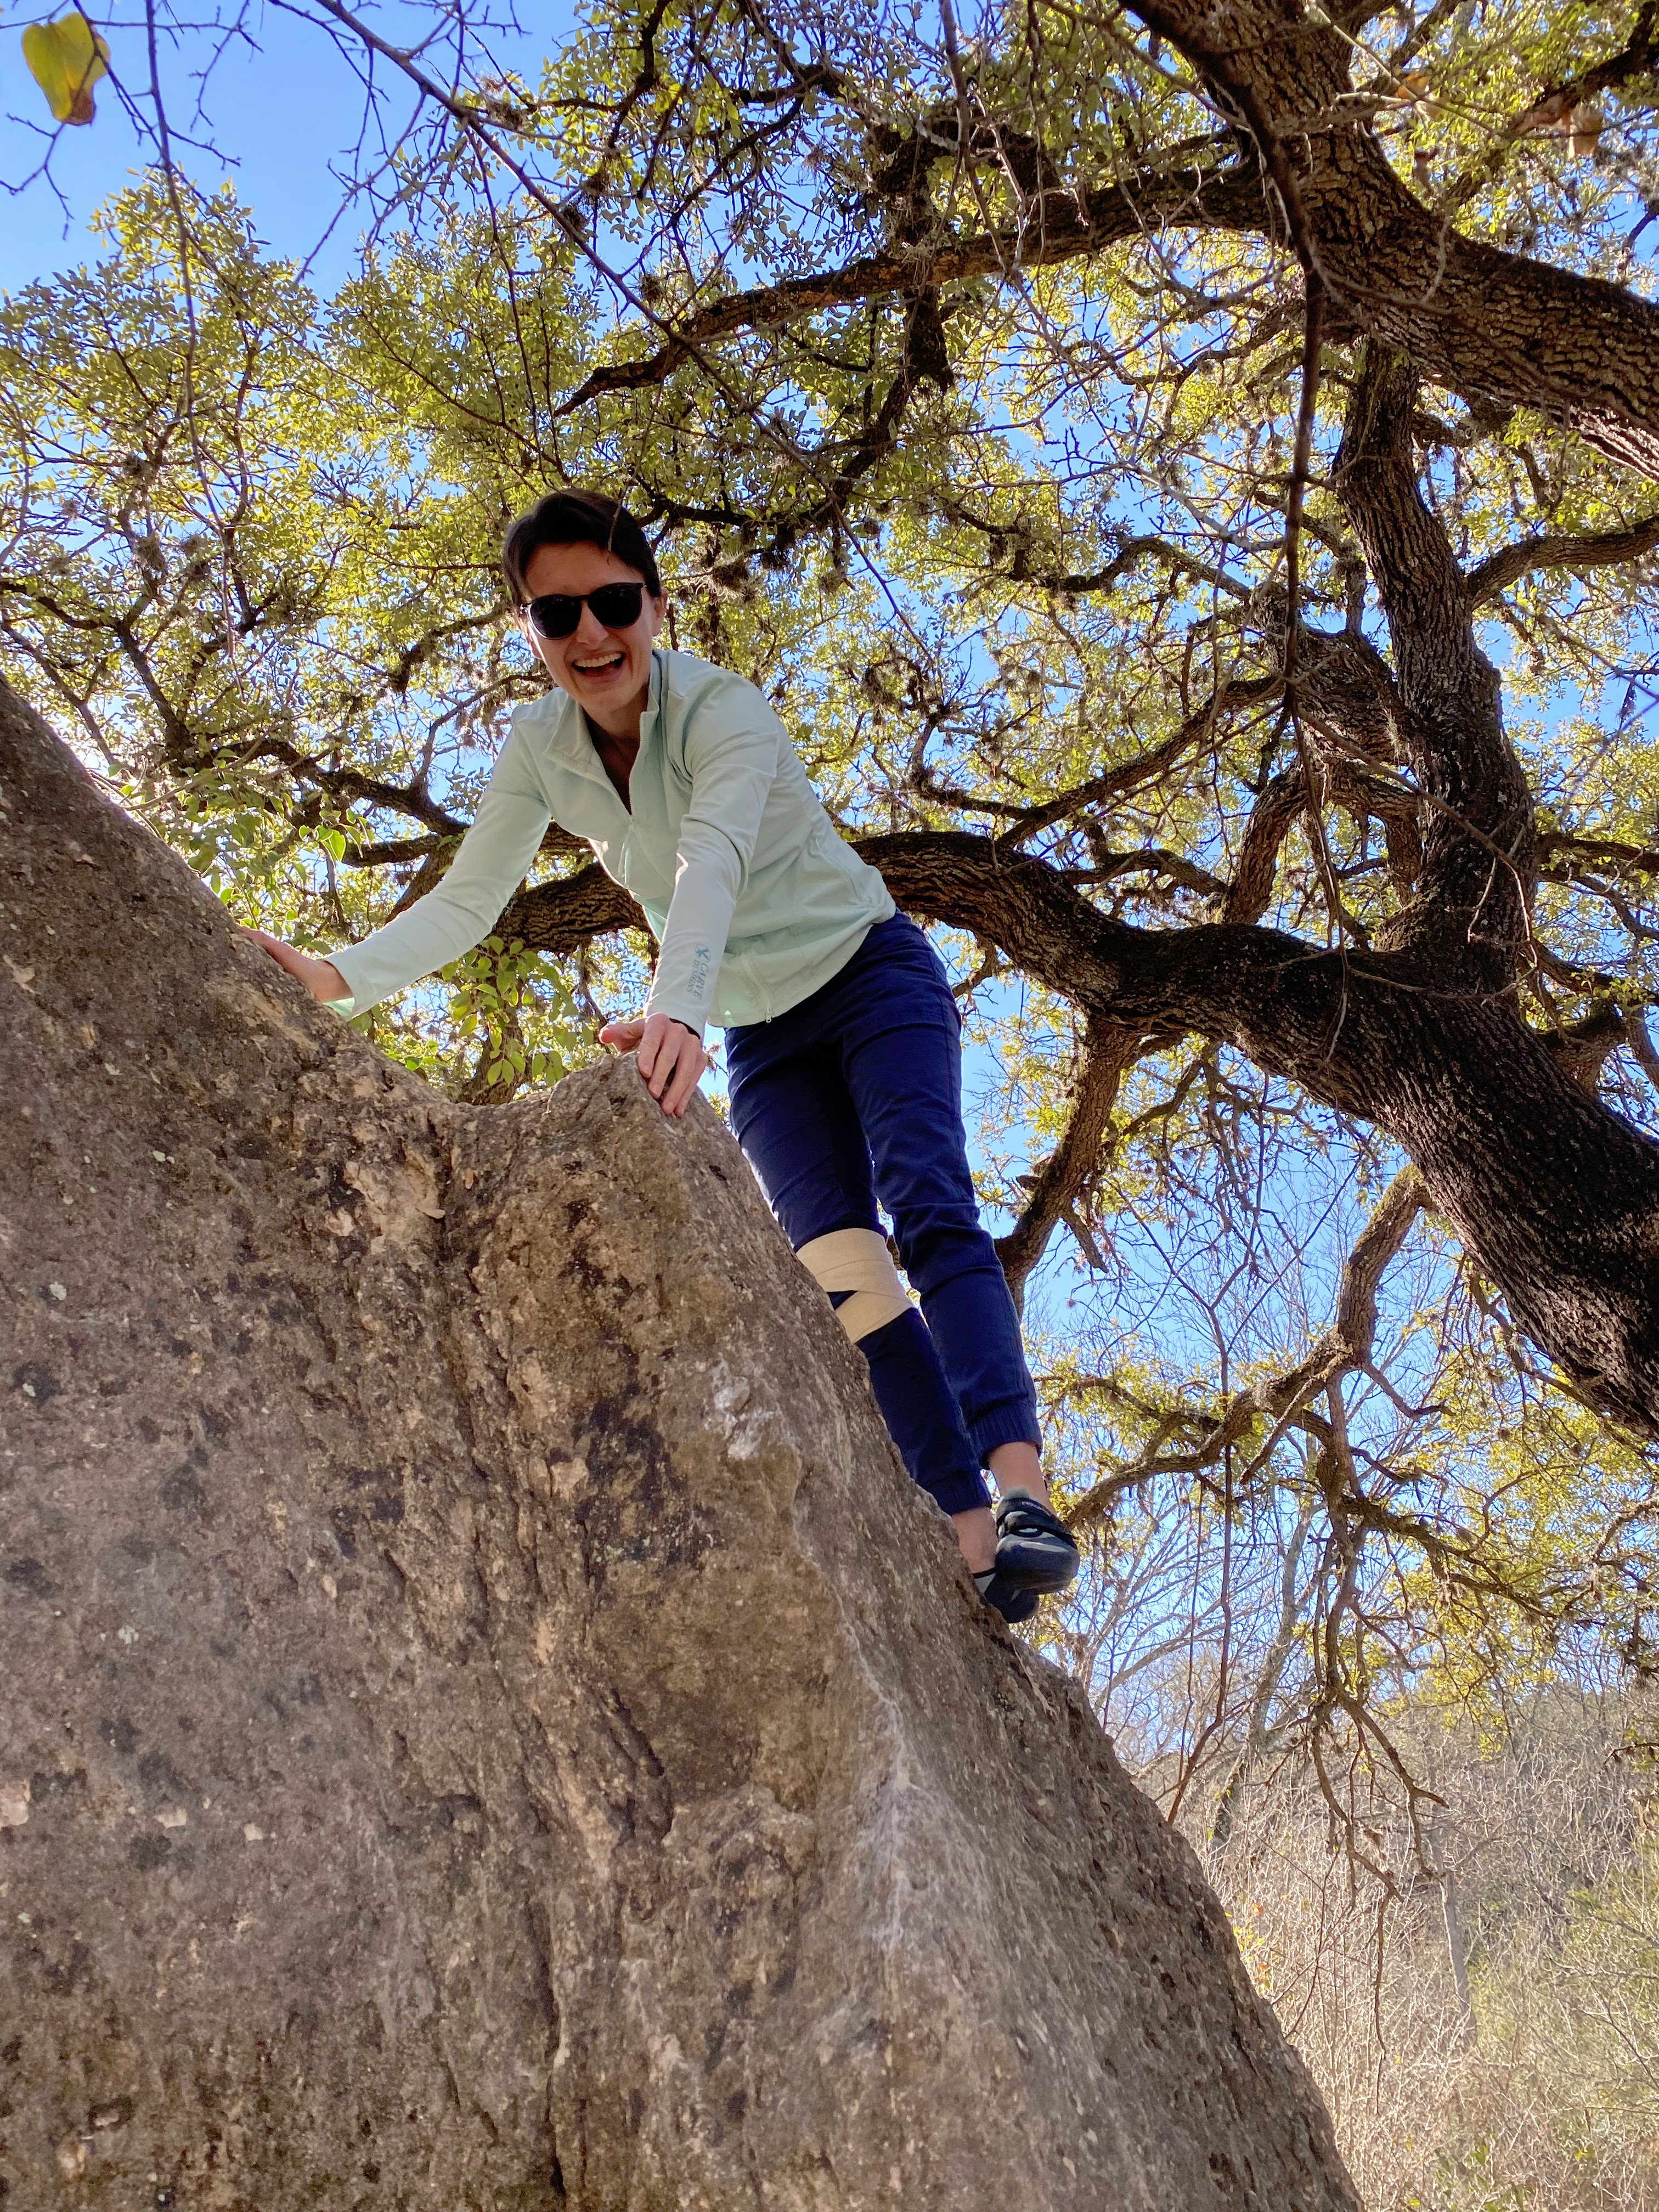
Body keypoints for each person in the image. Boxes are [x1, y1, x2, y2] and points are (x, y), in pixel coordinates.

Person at [249, 489, 1079, 1623]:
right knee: (842, 1272)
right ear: (530, 632)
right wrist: (337, 982)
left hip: (870, 973)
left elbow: (713, 858)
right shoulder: (538, 752)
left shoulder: (725, 711)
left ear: (655, 602)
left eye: (613, 602)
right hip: (764, 1037)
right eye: (557, 615)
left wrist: (673, 1005)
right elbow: (471, 899)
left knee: (926, 1203)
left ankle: (1024, 1494)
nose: (591, 634)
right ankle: (975, 1542)